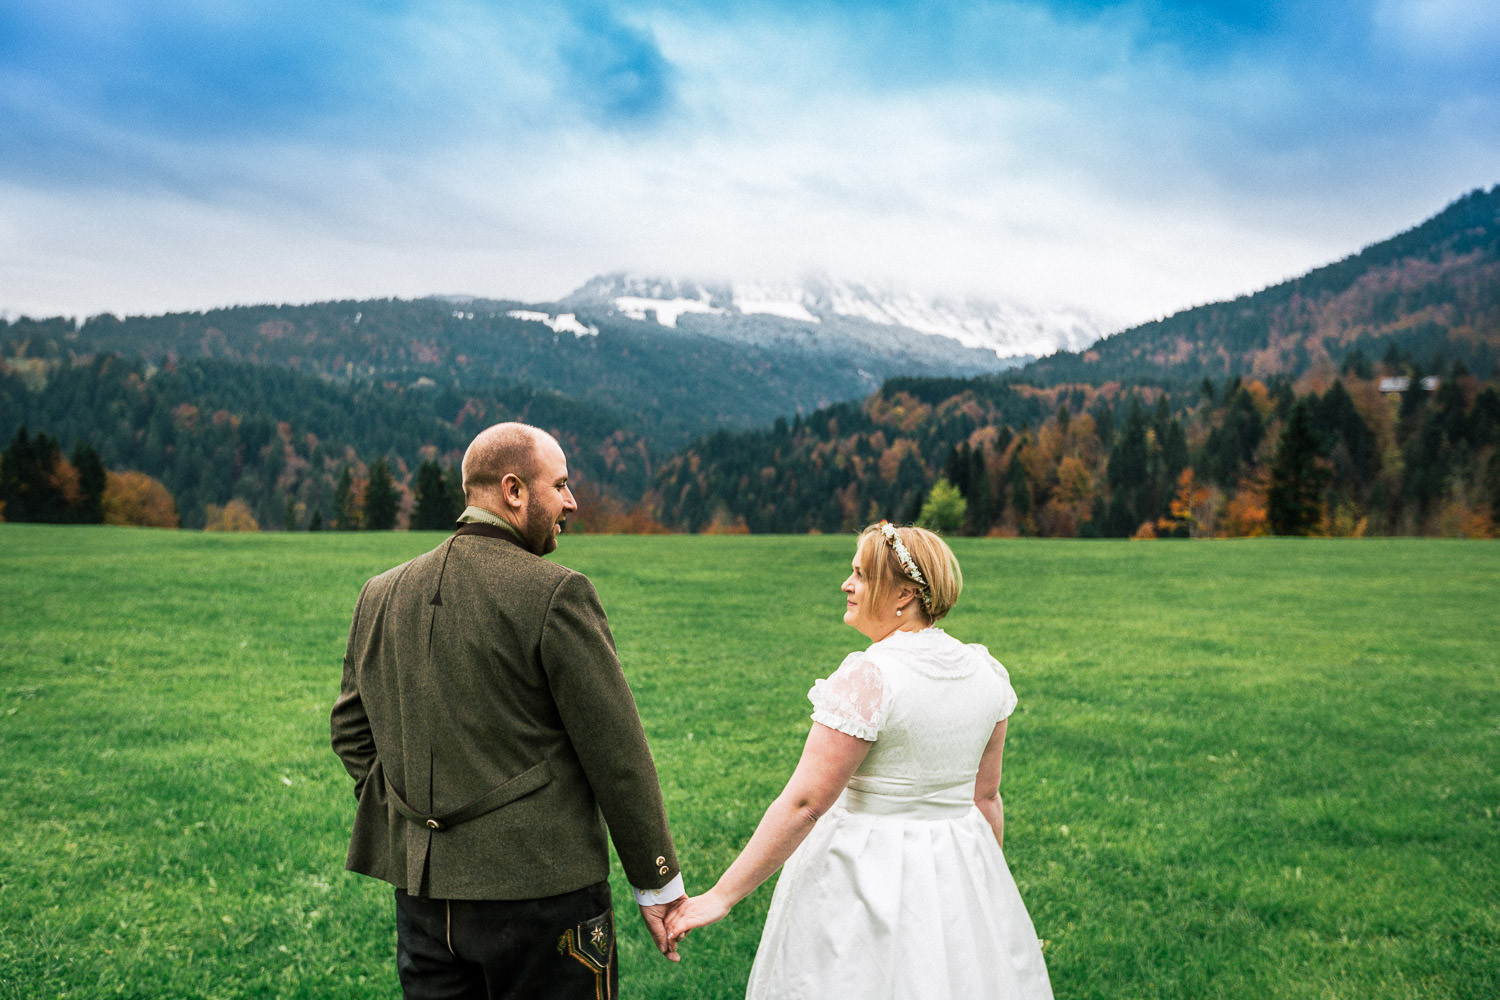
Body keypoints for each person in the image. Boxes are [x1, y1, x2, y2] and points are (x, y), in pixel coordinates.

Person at [331, 422, 685, 1000]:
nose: (572, 502)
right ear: (514, 491)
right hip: (544, 898)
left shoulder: (381, 591)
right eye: (561, 485)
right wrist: (658, 883)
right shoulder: (556, 592)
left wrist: (414, 820)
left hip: (423, 901)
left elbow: (349, 731)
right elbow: (617, 756)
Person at [665, 521, 1052, 999]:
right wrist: (985, 895)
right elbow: (987, 797)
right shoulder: (985, 673)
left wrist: (720, 898)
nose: (847, 585)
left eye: (861, 575)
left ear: (904, 594)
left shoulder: (871, 677)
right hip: (960, 865)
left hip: (868, 875)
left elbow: (805, 803)